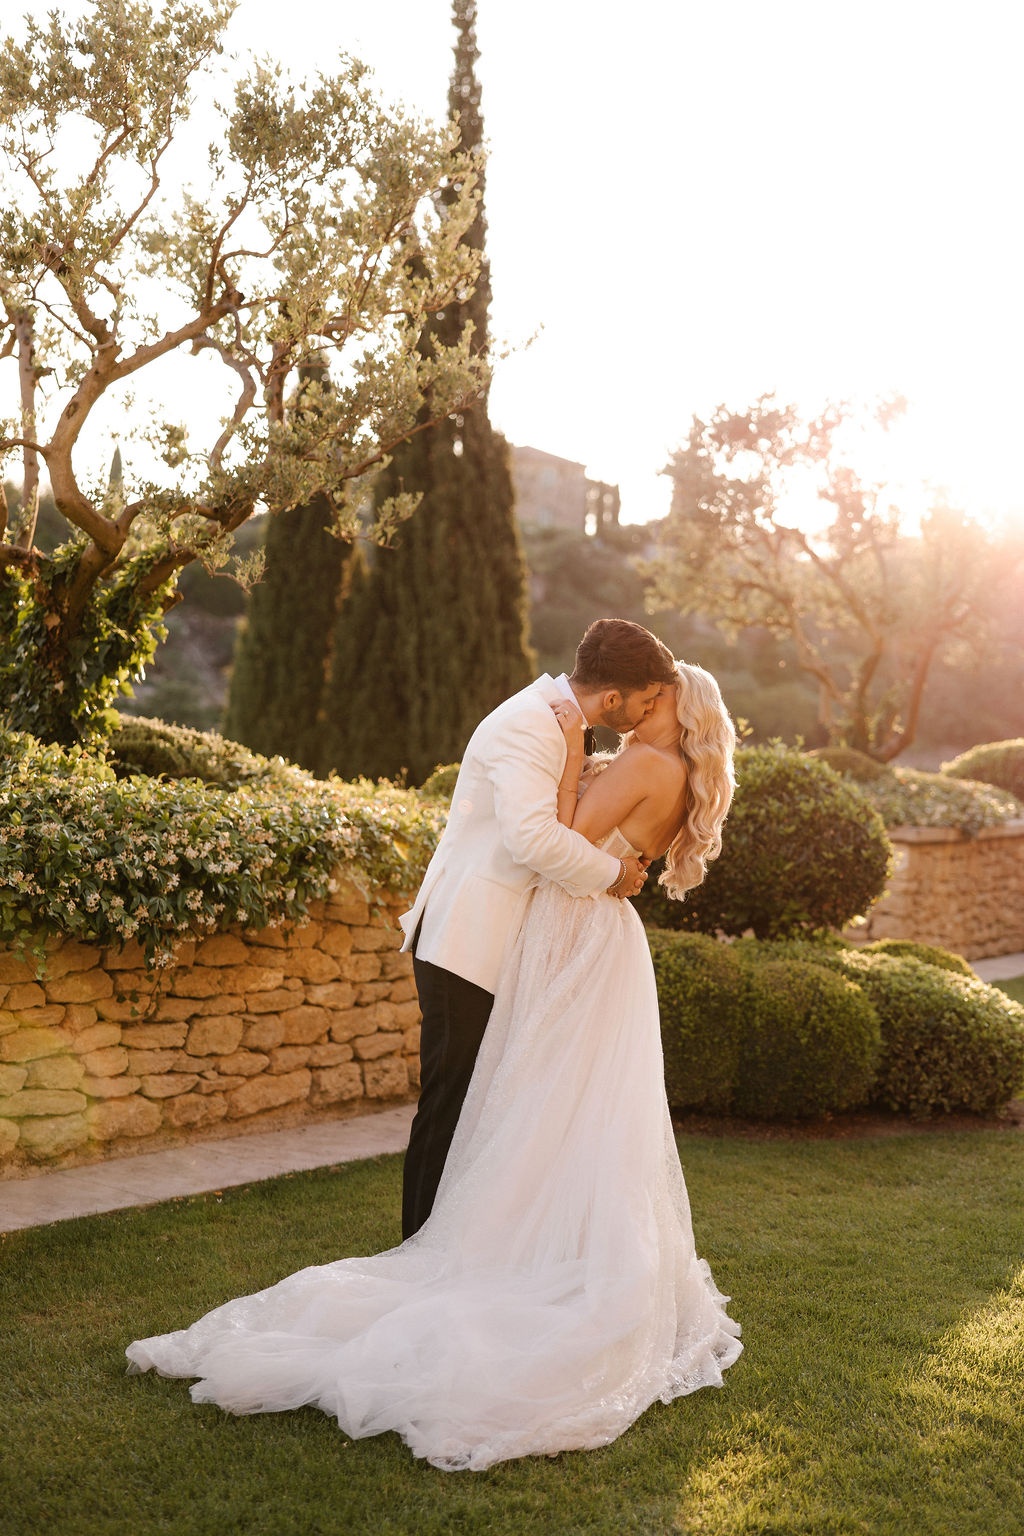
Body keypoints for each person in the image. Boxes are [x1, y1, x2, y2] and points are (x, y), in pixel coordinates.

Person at [126, 657, 743, 1471]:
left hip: (573, 931)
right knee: (570, 1108)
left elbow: (556, 837)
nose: (625, 715)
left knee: (538, 1097)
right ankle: (551, 1247)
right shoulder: (672, 769)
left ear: (664, 702)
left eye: (644, 701)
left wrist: (567, 760)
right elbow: (593, 846)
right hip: (605, 940)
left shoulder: (637, 761)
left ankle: (474, 1252)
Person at [399, 617, 678, 1238]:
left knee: (486, 1107)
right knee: (449, 1103)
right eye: (647, 698)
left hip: (498, 940)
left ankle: (460, 1245)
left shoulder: (560, 723)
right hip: (464, 941)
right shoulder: (530, 724)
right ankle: (416, 1249)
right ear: (614, 698)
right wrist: (612, 873)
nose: (650, 709)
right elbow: (532, 840)